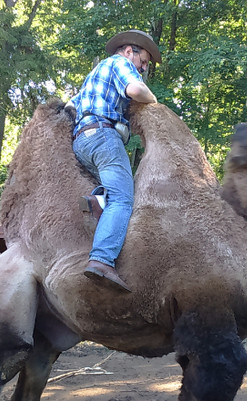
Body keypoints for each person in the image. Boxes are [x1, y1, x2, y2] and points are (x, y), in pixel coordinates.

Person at [69, 29, 161, 292]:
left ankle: (96, 205)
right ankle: (102, 260)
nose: (144, 68)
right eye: (143, 61)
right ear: (129, 51)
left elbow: (69, 108)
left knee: (111, 191)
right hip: (104, 137)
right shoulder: (120, 62)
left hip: (82, 142)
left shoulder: (93, 75)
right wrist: (153, 101)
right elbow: (136, 89)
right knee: (123, 198)